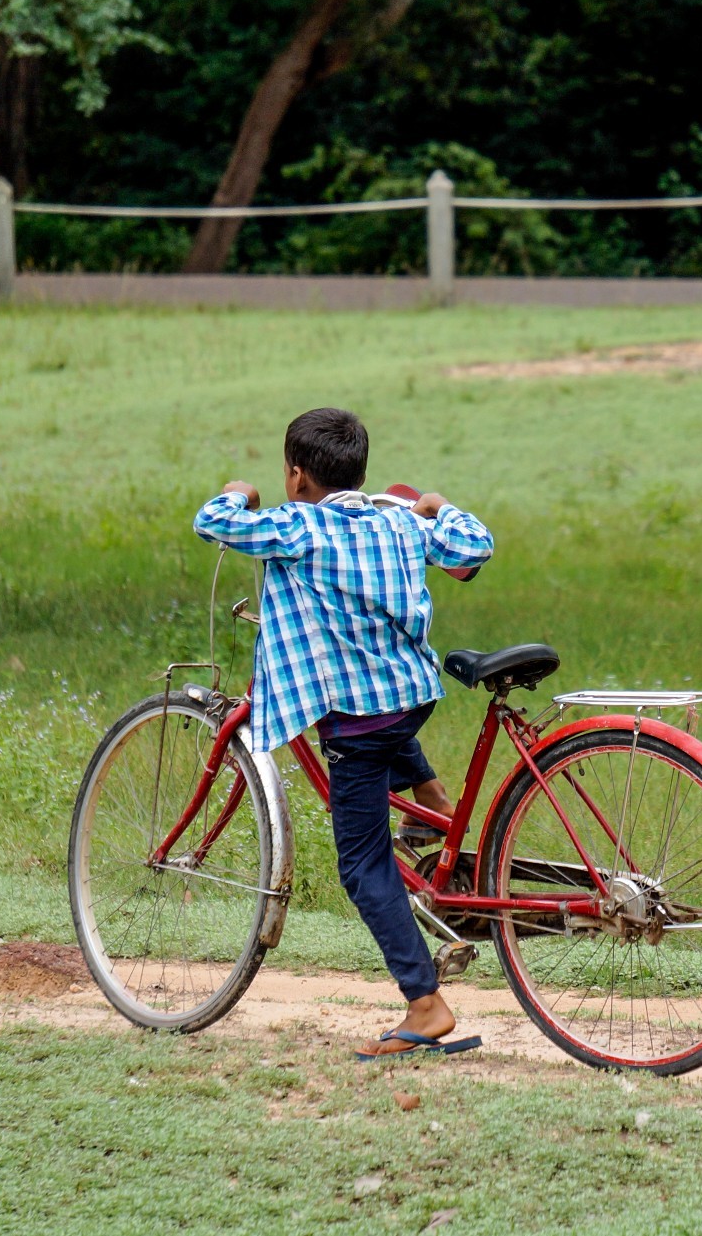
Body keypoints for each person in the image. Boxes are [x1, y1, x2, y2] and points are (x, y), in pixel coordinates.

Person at [192, 407, 492, 1058]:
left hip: (360, 723)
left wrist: (237, 493)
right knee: (375, 707)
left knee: (360, 864)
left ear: (296, 477)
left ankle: (426, 1002)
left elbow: (214, 523)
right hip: (412, 698)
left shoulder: (296, 526)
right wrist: (439, 507)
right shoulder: (397, 521)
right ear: (362, 470)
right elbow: (473, 546)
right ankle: (435, 803)